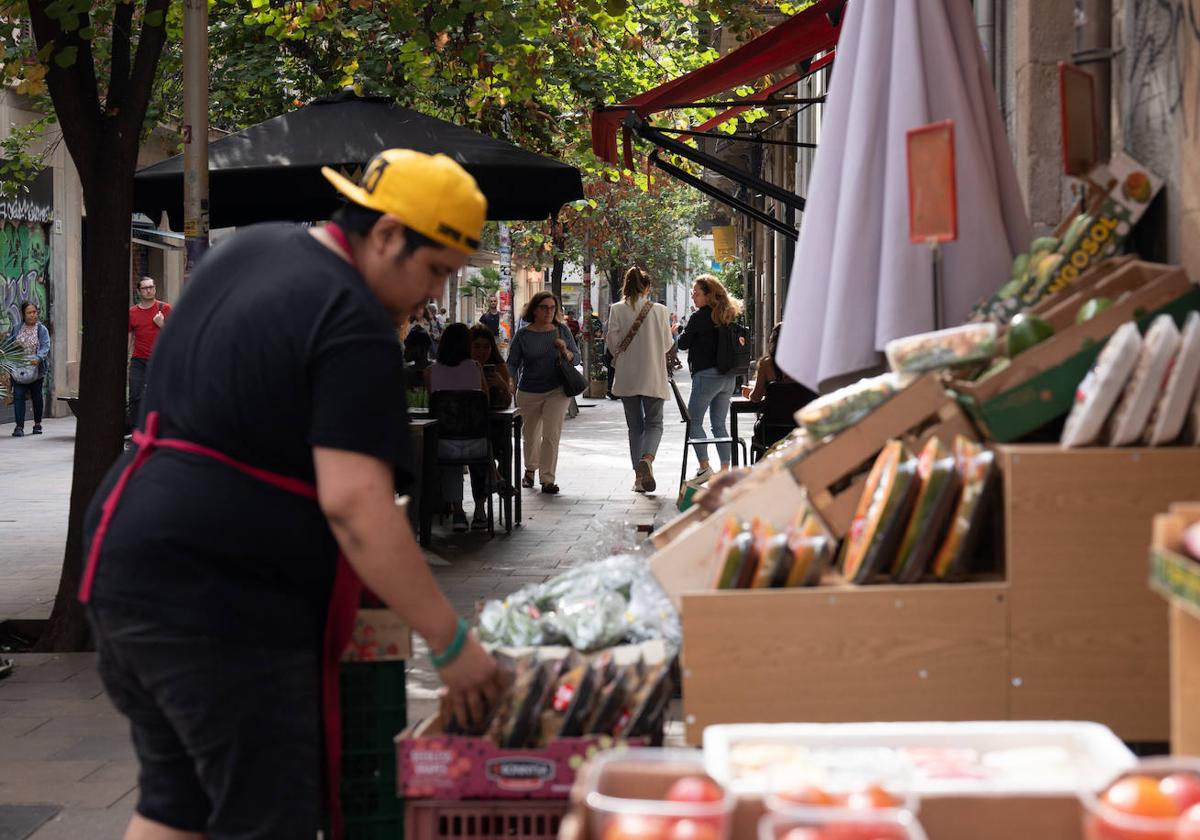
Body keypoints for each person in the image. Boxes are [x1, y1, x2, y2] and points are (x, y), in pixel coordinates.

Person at [81, 149, 503, 840]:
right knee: (267, 816)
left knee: (173, 802)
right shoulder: (354, 317)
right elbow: (357, 504)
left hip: (127, 564)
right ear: (389, 234)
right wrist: (449, 640)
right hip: (221, 600)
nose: (432, 296)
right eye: (435, 272)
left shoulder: (252, 252)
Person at [606, 267, 673, 494]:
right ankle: (647, 459)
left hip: (627, 377)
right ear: (646, 288)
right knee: (655, 423)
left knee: (635, 427)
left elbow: (612, 344)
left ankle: (638, 478)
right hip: (653, 375)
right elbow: (667, 344)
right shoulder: (661, 311)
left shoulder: (616, 310)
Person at [507, 290, 579, 495]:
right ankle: (530, 469)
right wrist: (509, 380)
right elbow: (512, 362)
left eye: (552, 307)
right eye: (544, 307)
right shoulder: (523, 334)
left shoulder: (562, 330)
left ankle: (547, 479)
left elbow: (577, 359)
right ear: (534, 310)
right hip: (529, 390)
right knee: (529, 435)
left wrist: (565, 350)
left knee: (551, 435)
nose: (549, 311)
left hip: (557, 390)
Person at [425, 322, 491, 532]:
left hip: (444, 442)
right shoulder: (475, 367)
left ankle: (458, 512)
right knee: (479, 459)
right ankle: (480, 510)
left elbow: (433, 405)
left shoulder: (430, 372)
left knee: (451, 465)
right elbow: (485, 402)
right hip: (476, 441)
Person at [676, 273, 742, 480]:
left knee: (694, 421)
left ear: (708, 295)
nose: (694, 297)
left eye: (696, 293)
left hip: (706, 376)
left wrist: (677, 331)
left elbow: (682, 344)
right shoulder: (726, 315)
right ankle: (725, 471)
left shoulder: (699, 317)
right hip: (727, 377)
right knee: (719, 424)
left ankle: (704, 467)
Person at [746, 323, 817, 456]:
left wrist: (750, 393)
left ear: (773, 341)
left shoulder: (766, 365)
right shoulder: (807, 363)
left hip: (771, 431)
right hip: (801, 428)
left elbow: (755, 398)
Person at [127, 275, 171, 433]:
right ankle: (136, 431)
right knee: (135, 395)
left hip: (159, 359)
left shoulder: (165, 309)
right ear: (139, 291)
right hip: (138, 360)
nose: (149, 290)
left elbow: (175, 335)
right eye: (145, 288)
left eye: (151, 287)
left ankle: (160, 430)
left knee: (160, 395)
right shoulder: (132, 312)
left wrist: (162, 324)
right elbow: (130, 336)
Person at [7, 301, 50, 437]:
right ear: (23, 315)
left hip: (36, 369)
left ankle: (37, 424)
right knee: (18, 395)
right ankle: (19, 426)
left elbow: (45, 346)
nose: (33, 315)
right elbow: (10, 346)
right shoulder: (16, 328)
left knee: (37, 397)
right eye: (29, 313)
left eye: (34, 312)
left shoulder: (41, 330)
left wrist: (38, 357)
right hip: (19, 369)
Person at [470, 324, 514, 409]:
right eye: (477, 346)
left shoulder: (499, 367)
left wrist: (502, 385)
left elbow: (507, 403)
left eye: (486, 347)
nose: (481, 351)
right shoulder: (464, 367)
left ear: (492, 348)